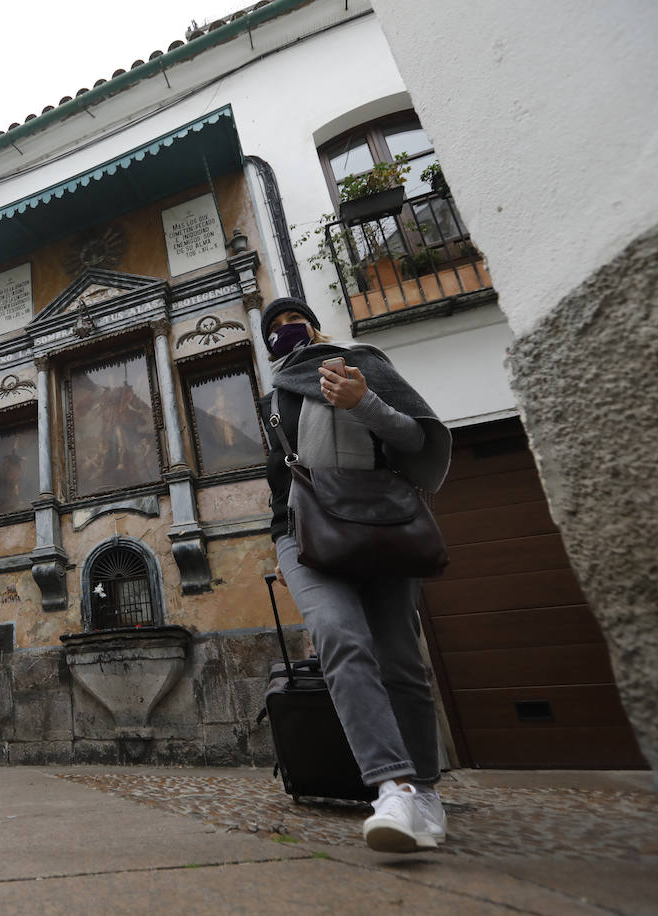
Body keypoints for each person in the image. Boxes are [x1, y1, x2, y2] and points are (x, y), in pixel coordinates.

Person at [258, 297, 453, 853]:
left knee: (400, 658)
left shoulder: (362, 362)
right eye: (271, 328)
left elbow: (414, 439)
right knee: (340, 637)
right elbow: (279, 474)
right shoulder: (272, 399)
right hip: (306, 532)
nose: (282, 332)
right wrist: (279, 534)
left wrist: (364, 401)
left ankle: (427, 792)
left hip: (379, 523)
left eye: (290, 321)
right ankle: (391, 787)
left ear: (313, 325)